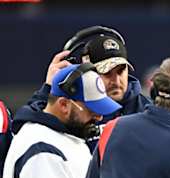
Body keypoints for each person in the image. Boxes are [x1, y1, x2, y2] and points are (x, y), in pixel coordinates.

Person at [16, 25, 151, 148]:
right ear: (87, 74)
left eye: (121, 71)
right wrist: (48, 88)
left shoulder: (147, 110)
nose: (116, 80)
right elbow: (24, 131)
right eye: (106, 72)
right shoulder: (77, 110)